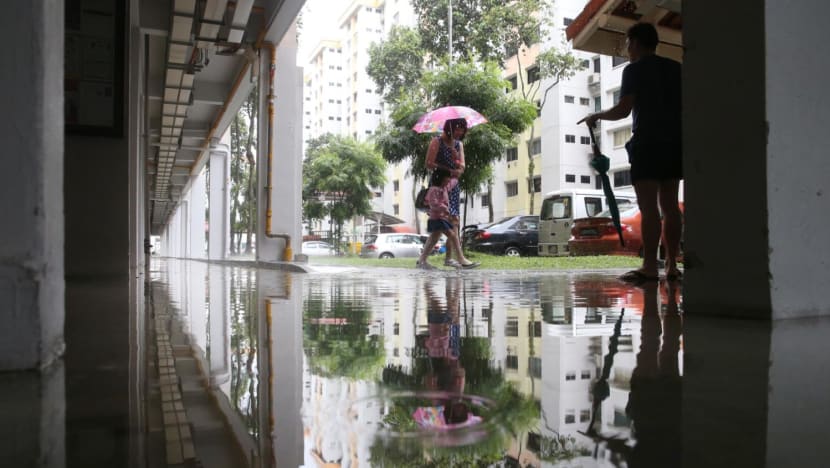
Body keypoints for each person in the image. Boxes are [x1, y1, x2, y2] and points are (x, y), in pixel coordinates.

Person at [578, 22, 683, 282]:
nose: (627, 49)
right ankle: (672, 266)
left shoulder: (634, 70)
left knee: (648, 208)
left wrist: (596, 116)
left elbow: (623, 110)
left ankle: (650, 267)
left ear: (635, 42)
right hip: (674, 143)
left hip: (647, 143)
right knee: (670, 206)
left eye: (627, 43)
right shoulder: (675, 68)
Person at [416, 169, 479, 270]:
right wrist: (444, 209)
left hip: (440, 218)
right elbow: (433, 203)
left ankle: (422, 261)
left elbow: (453, 182)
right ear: (441, 179)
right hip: (436, 219)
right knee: (452, 235)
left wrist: (457, 174)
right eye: (447, 178)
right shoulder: (434, 190)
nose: (449, 180)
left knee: (434, 239)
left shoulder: (444, 188)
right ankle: (460, 259)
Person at [425, 118, 467, 268]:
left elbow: (462, 167)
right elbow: (429, 163)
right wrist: (447, 169)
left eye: (462, 130)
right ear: (449, 128)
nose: (459, 133)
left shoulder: (458, 144)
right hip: (440, 184)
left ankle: (448, 258)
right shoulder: (437, 141)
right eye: (457, 129)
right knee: (444, 224)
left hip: (453, 187)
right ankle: (458, 258)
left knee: (453, 221)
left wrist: (457, 161)